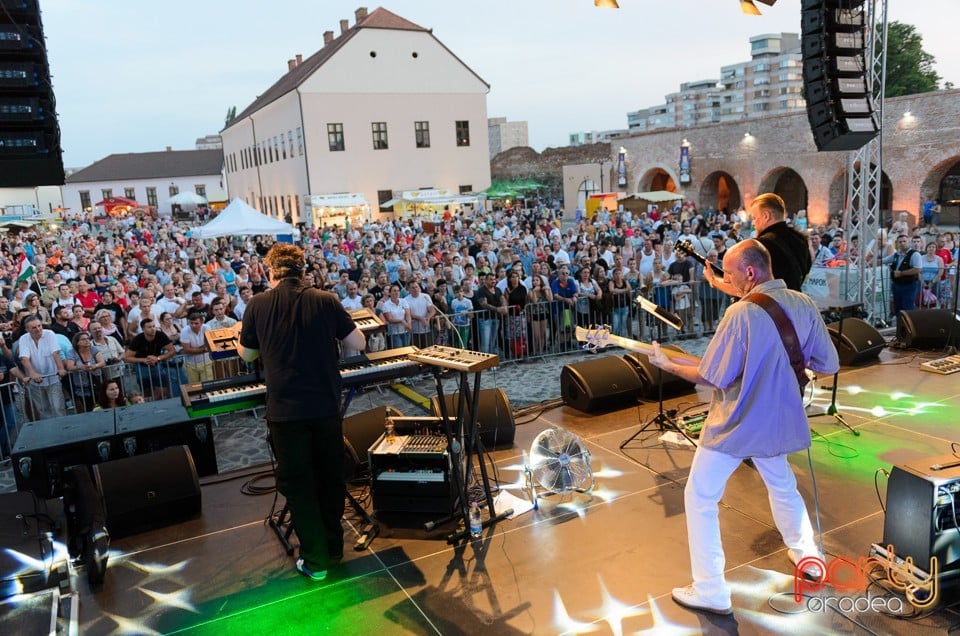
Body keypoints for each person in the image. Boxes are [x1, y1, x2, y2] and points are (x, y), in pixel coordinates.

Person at [647, 240, 839, 616]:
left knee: (700, 497)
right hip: (780, 418)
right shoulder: (803, 303)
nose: (727, 280)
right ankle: (809, 559)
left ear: (750, 273)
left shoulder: (740, 314)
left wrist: (667, 364)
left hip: (736, 423)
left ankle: (710, 590)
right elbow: (828, 364)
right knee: (782, 485)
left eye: (731, 274)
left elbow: (713, 376)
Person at [237, 243, 364, 583]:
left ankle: (316, 559)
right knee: (330, 477)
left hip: (286, 412)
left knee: (300, 484)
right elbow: (360, 344)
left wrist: (242, 337)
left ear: (270, 272)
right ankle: (334, 548)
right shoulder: (326, 300)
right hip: (324, 407)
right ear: (303, 271)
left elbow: (248, 356)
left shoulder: (257, 305)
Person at [704, 193, 811, 295]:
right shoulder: (800, 239)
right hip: (795, 303)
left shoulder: (760, 246)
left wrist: (713, 279)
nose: (753, 223)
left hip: (768, 309)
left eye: (755, 218)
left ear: (766, 216)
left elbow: (744, 289)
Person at [18, 314, 67, 419]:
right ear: (27, 329)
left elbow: (56, 353)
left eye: (39, 326)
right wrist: (32, 373)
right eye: (34, 327)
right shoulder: (23, 339)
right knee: (43, 409)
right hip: (35, 382)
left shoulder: (49, 334)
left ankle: (63, 430)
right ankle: (49, 431)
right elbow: (24, 358)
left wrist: (61, 368)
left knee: (58, 407)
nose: (38, 329)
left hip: (52, 378)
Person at [123, 317, 177, 400]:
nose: (153, 329)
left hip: (157, 363)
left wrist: (158, 358)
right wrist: (144, 360)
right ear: (143, 329)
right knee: (146, 391)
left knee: (163, 389)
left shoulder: (160, 335)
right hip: (141, 366)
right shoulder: (138, 339)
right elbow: (127, 357)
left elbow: (172, 351)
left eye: (154, 326)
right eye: (149, 327)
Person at [881, 234, 923, 316]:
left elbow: (918, 269)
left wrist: (901, 273)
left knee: (907, 308)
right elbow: (884, 260)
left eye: (904, 241)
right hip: (897, 285)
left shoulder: (915, 254)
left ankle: (908, 327)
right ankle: (899, 325)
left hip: (909, 285)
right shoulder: (896, 254)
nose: (902, 243)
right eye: (900, 242)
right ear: (897, 244)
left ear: (908, 242)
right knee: (898, 307)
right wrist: (870, 260)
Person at [64, 331, 105, 413]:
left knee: (101, 404)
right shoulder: (72, 352)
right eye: (83, 339)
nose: (87, 341)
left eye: (88, 339)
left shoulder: (93, 349)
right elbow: (69, 366)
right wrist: (81, 367)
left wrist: (95, 366)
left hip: (96, 382)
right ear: (77, 342)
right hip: (82, 385)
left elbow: (102, 362)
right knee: (88, 407)